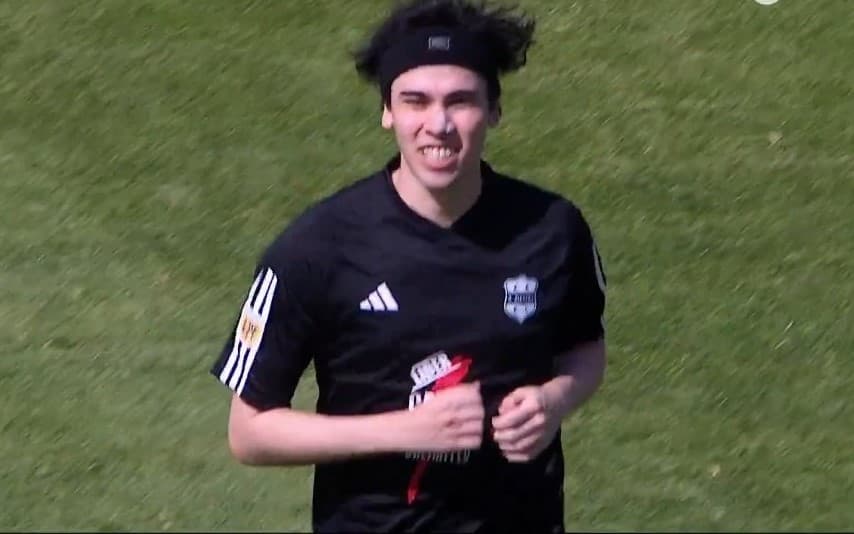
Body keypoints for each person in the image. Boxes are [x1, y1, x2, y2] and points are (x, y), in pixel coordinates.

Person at [209, 0, 607, 531]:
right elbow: (249, 433)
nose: (438, 125)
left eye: (460, 101)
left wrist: (554, 399)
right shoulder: (317, 246)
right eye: (415, 101)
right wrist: (404, 430)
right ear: (387, 111)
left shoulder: (553, 229)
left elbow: (585, 347)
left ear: (494, 110)